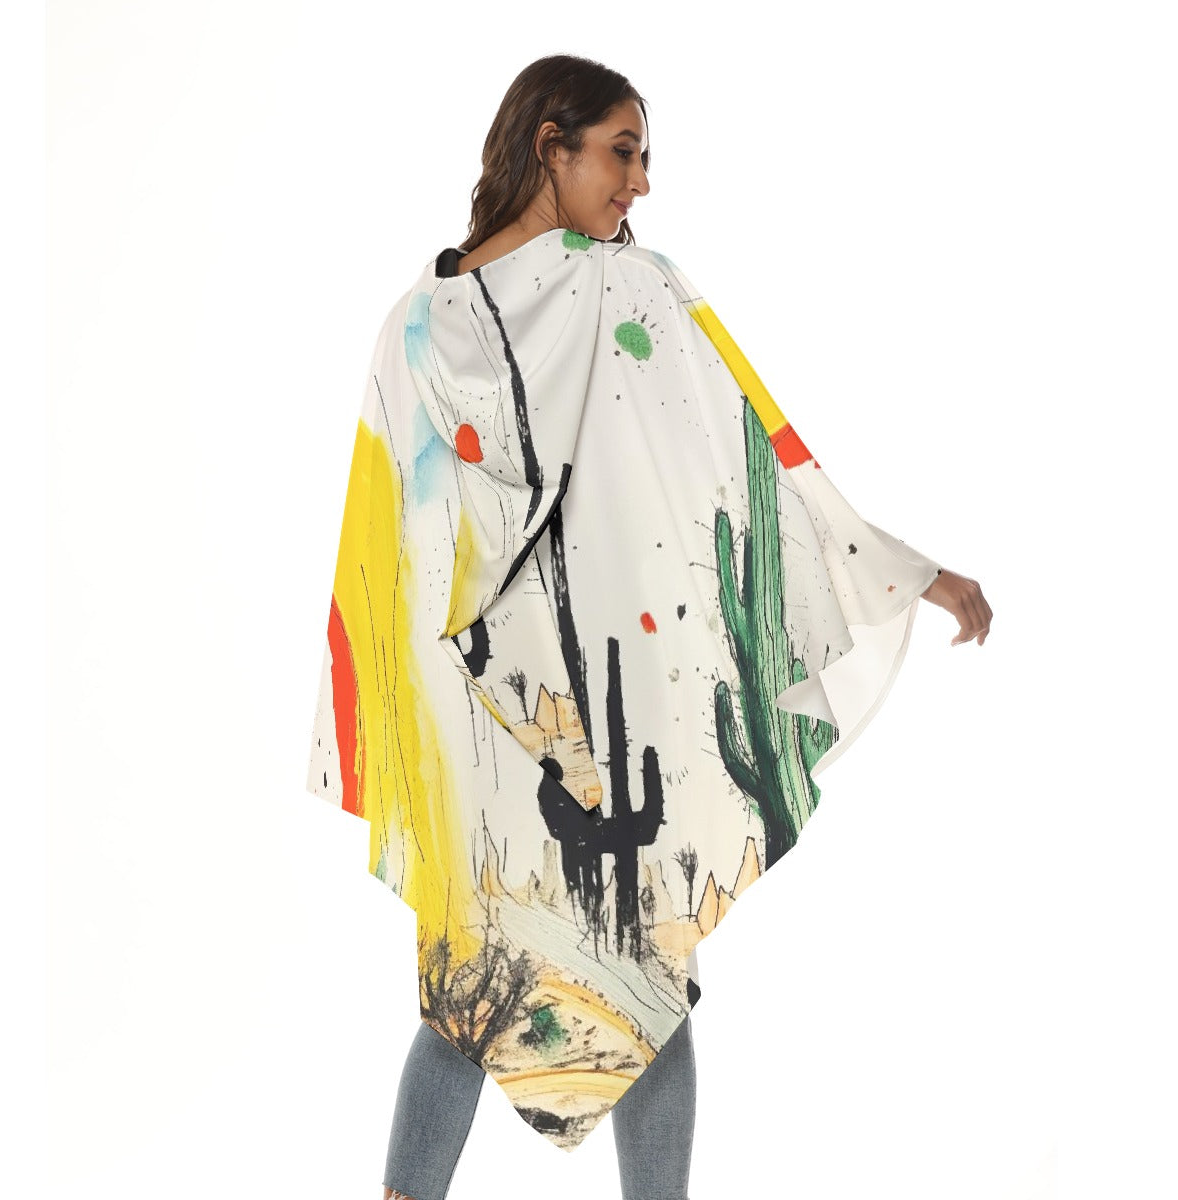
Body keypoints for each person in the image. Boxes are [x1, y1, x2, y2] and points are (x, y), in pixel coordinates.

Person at [313, 52, 991, 1200]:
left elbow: (748, 459)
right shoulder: (441, 319)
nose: (639, 183)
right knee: (487, 986)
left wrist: (900, 568)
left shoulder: (595, 297)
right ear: (551, 146)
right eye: (622, 152)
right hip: (496, 722)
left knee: (613, 979)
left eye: (643, 156)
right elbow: (391, 549)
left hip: (582, 711)